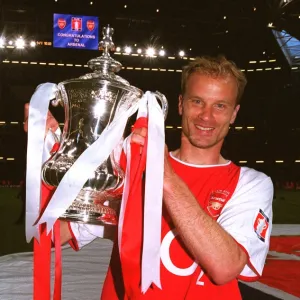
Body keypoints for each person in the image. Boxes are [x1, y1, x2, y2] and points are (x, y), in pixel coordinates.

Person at [24, 55, 273, 299]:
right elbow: (57, 234)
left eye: (220, 105)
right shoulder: (130, 164)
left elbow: (225, 268)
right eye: (197, 101)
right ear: (180, 104)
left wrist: (163, 175)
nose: (206, 116)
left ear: (234, 114)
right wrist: (52, 148)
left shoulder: (250, 183)